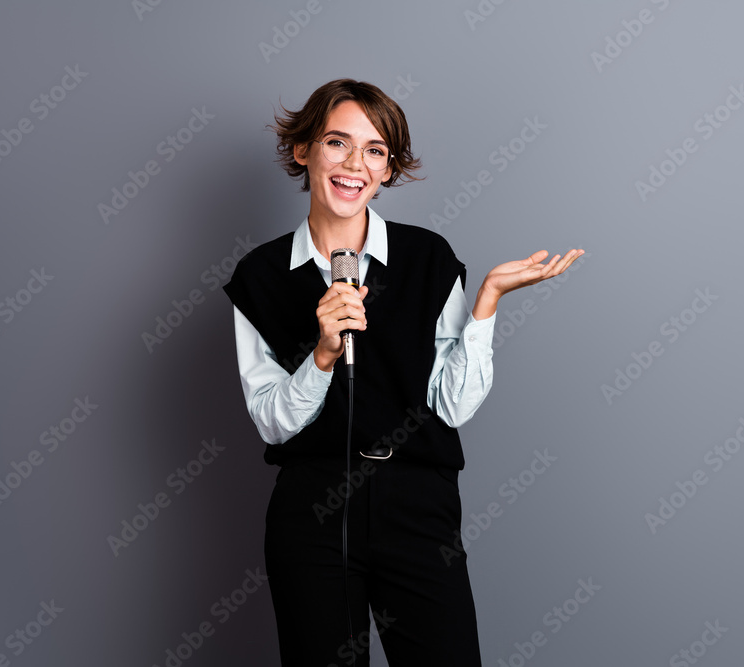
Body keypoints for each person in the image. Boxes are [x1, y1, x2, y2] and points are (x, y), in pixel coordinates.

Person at [223, 78, 583, 666]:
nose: (354, 165)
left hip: (417, 502)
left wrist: (487, 300)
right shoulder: (261, 274)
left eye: (375, 150)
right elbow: (271, 421)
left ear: (388, 169)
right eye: (337, 143)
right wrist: (321, 355)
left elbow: (452, 406)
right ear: (303, 150)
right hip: (313, 509)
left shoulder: (427, 259)